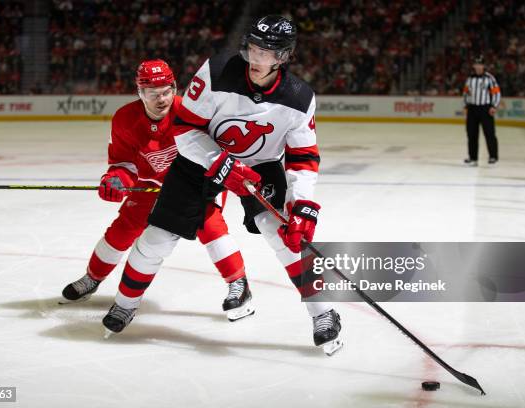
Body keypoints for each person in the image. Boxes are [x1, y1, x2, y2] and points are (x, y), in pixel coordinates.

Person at [102, 16, 343, 356]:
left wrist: (302, 206)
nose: (256, 58)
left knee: (285, 237)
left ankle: (324, 313)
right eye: (254, 48)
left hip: (261, 166)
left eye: (267, 52)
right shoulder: (217, 70)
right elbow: (185, 128)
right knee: (157, 236)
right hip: (201, 159)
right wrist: (219, 162)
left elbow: (303, 157)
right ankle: (125, 303)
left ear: (283, 57)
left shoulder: (300, 98)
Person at [61, 59, 254, 322]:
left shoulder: (190, 110)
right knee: (123, 229)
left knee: (209, 225)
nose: (162, 99)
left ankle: (239, 285)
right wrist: (117, 180)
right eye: (153, 94)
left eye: (167, 91)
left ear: (175, 87)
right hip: (151, 186)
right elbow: (123, 163)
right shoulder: (125, 119)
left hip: (195, 183)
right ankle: (92, 278)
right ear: (140, 93)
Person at [462, 54, 501, 166]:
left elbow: (497, 93)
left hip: (486, 109)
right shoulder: (470, 79)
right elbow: (465, 93)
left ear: (484, 66)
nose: (478, 66)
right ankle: (473, 157)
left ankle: (493, 156)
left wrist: (494, 106)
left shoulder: (490, 78)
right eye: (476, 64)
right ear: (473, 65)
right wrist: (465, 106)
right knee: (471, 134)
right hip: (472, 109)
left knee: (489, 133)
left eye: (480, 64)